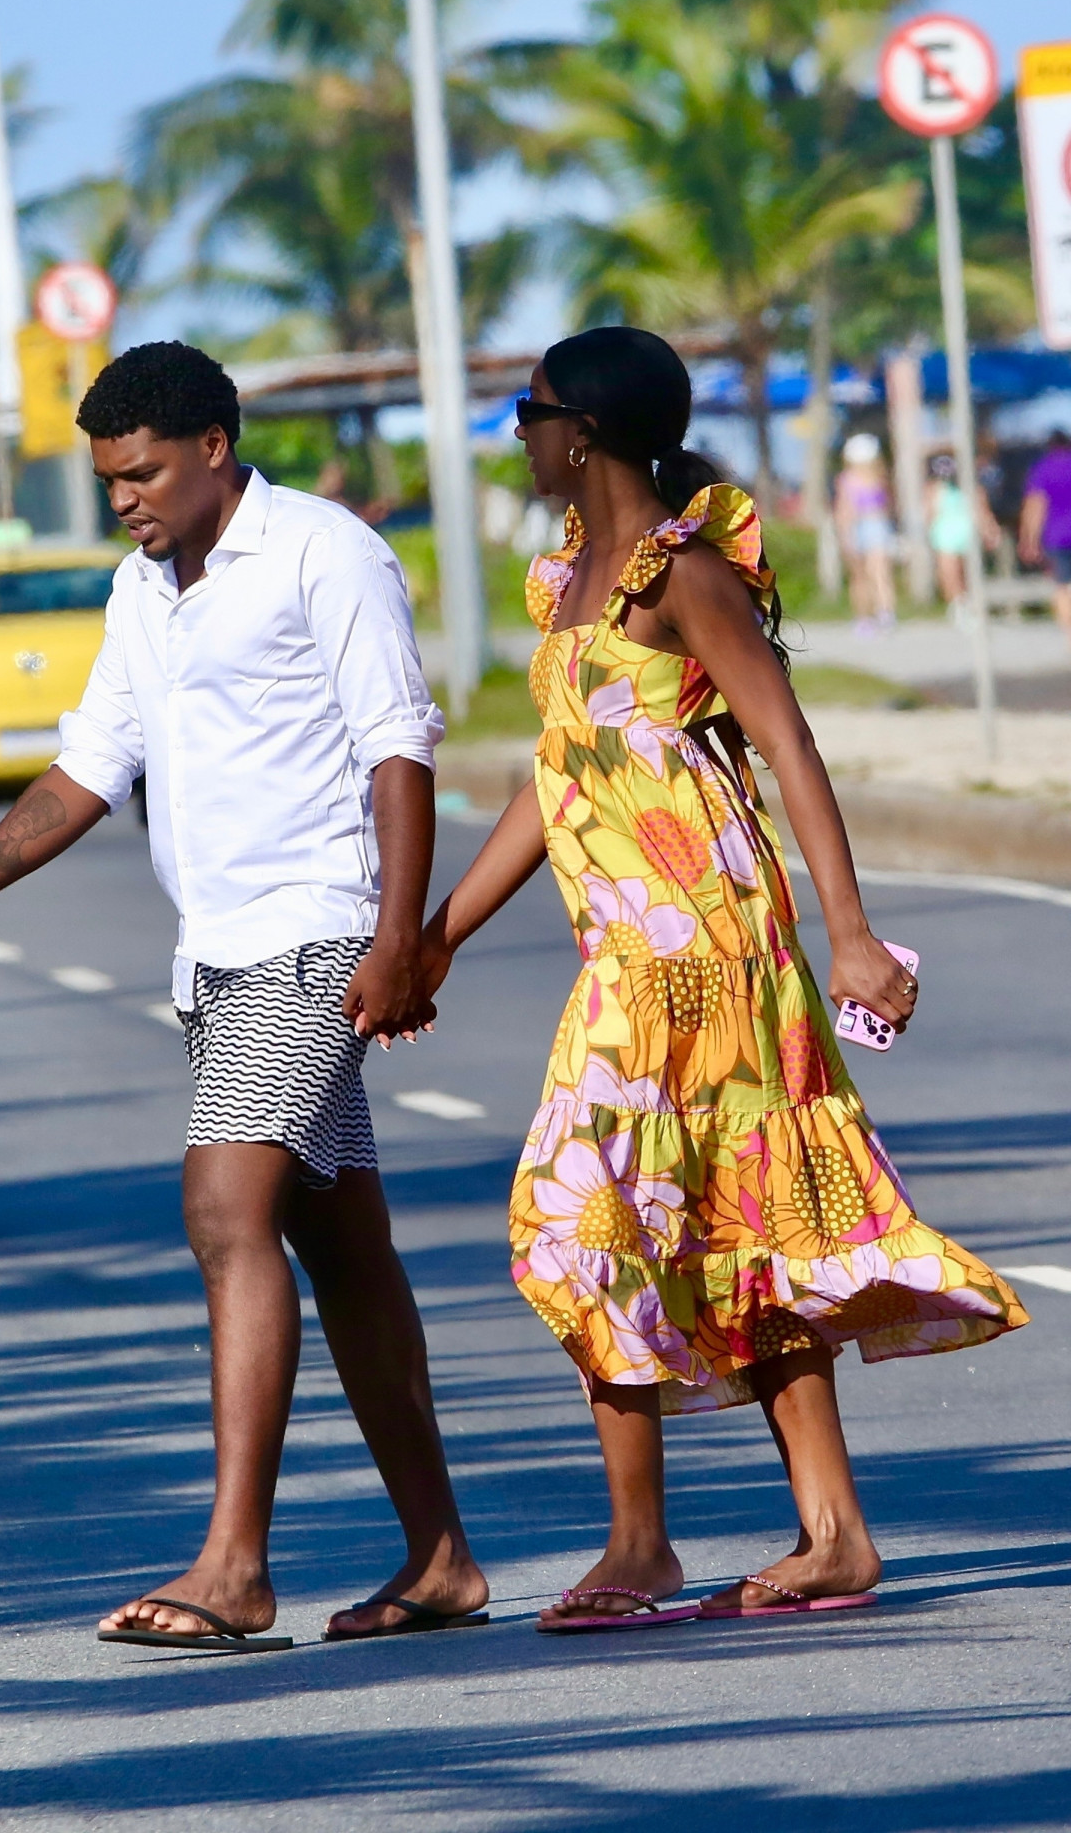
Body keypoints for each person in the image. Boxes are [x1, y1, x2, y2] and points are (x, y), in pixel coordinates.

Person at [0, 341, 488, 1650]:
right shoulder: (142, 591)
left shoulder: (326, 552)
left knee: (224, 1206)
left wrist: (397, 943)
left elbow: (398, 743)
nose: (126, 499)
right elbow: (85, 772)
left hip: (313, 938)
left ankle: (234, 1567)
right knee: (343, 1250)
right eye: (109, 480)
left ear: (215, 444)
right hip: (213, 958)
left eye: (142, 472)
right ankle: (440, 1559)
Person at [420, 327, 1028, 1628]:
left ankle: (706, 1543)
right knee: (653, 1221)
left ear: (580, 431)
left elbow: (789, 744)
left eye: (527, 413)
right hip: (625, 957)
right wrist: (442, 934)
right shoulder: (567, 582)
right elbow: (558, 777)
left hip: (719, 948)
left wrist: (851, 932)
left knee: (651, 1215)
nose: (516, 434)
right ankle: (771, 1539)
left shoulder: (681, 576)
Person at [925, 451, 1002, 621]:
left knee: (970, 573)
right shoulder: (935, 490)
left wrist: (990, 530)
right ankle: (958, 605)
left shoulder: (972, 488)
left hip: (967, 534)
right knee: (950, 573)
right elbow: (929, 514)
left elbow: (983, 511)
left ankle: (973, 605)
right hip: (945, 534)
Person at [834, 433, 896, 636]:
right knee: (864, 575)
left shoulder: (877, 477)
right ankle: (870, 616)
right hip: (862, 526)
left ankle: (880, 613)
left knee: (875, 572)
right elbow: (845, 509)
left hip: (871, 525)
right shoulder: (853, 479)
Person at [1018, 428, 1071, 651]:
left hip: (1056, 535)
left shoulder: (1043, 469)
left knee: (1061, 586)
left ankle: (1069, 634)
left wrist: (1028, 538)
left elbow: (1035, 505)